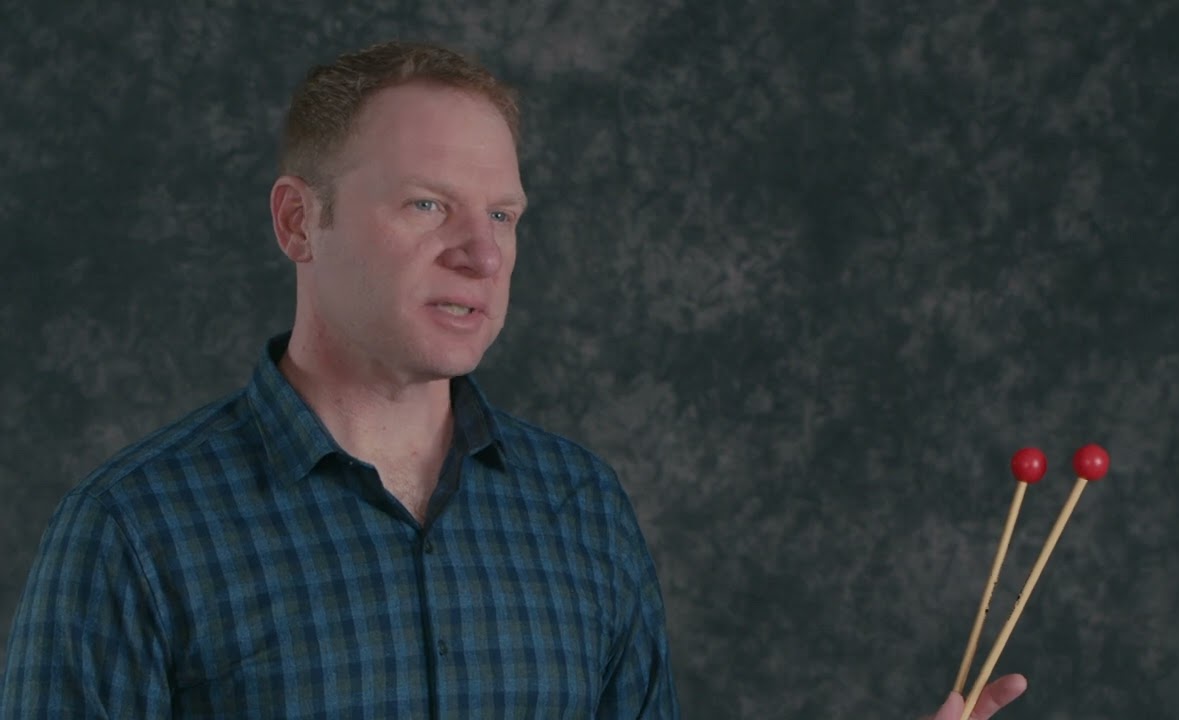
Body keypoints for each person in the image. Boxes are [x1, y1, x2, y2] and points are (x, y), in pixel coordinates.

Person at [0, 41, 1023, 719]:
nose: (481, 256)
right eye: (425, 206)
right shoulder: (132, 531)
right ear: (297, 222)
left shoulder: (577, 506)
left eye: (501, 214)